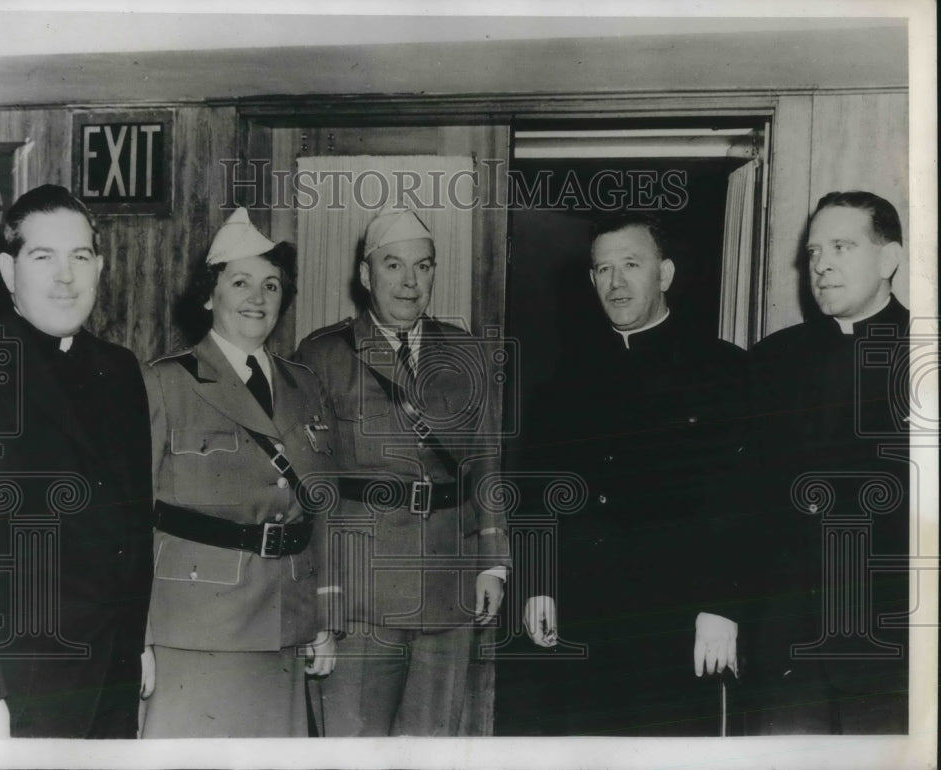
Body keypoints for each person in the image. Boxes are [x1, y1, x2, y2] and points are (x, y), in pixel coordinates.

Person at [502, 212, 747, 736]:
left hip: (680, 623)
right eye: (603, 269)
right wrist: (539, 584)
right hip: (583, 618)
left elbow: (742, 499)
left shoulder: (726, 373)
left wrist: (722, 605)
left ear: (665, 274)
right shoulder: (563, 385)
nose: (616, 282)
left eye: (631, 265)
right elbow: (536, 495)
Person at [295, 208, 510, 736]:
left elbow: (486, 462)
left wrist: (493, 562)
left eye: (423, 266)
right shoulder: (322, 356)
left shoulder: (466, 353)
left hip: (447, 588)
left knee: (433, 749)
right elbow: (310, 485)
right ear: (365, 276)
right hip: (360, 593)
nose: (410, 282)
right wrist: (322, 594)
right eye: (393, 266)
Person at [139, 208, 340, 738]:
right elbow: (132, 518)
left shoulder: (305, 386)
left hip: (285, 619)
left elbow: (322, 509)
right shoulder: (166, 382)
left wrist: (320, 616)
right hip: (195, 623)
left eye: (271, 285)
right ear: (210, 295)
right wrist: (136, 638)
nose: (258, 297)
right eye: (241, 282)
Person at [0, 184, 155, 738]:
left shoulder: (121, 368)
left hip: (113, 669)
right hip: (21, 679)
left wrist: (138, 643)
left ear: (100, 268)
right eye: (43, 257)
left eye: (80, 257)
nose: (66, 276)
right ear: (9, 272)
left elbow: (134, 523)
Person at [745, 191, 909, 734]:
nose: (822, 265)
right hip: (787, 635)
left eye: (842, 246)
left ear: (889, 260)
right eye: (814, 252)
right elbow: (744, 496)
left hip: (894, 639)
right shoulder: (772, 360)